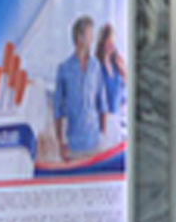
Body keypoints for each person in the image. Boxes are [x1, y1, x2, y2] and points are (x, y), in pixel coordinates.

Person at [51, 15, 106, 162]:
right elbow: (57, 110)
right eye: (89, 34)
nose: (92, 39)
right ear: (79, 38)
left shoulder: (95, 67)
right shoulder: (64, 69)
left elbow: (102, 103)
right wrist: (60, 142)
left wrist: (103, 135)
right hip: (73, 146)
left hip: (95, 143)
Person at [95, 22, 127, 120]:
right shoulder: (97, 66)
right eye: (108, 41)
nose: (111, 44)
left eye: (112, 41)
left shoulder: (116, 63)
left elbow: (125, 84)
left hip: (119, 115)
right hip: (102, 116)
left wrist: (120, 67)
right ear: (103, 42)